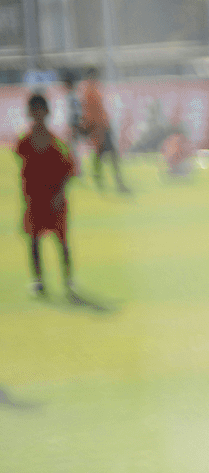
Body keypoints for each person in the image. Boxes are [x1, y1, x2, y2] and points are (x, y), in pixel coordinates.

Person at [15, 93, 80, 300]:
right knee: (34, 241)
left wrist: (60, 194)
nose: (37, 114)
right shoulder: (23, 142)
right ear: (30, 113)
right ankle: (38, 280)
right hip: (34, 202)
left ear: (47, 112)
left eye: (41, 110)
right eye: (34, 110)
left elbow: (70, 170)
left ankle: (68, 280)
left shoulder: (57, 143)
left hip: (55, 202)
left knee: (62, 242)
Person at [77, 67, 130, 195]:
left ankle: (99, 179)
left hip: (100, 126)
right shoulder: (89, 90)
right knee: (111, 154)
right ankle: (117, 183)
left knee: (101, 154)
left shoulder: (90, 89)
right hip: (98, 127)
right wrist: (94, 126)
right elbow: (90, 111)